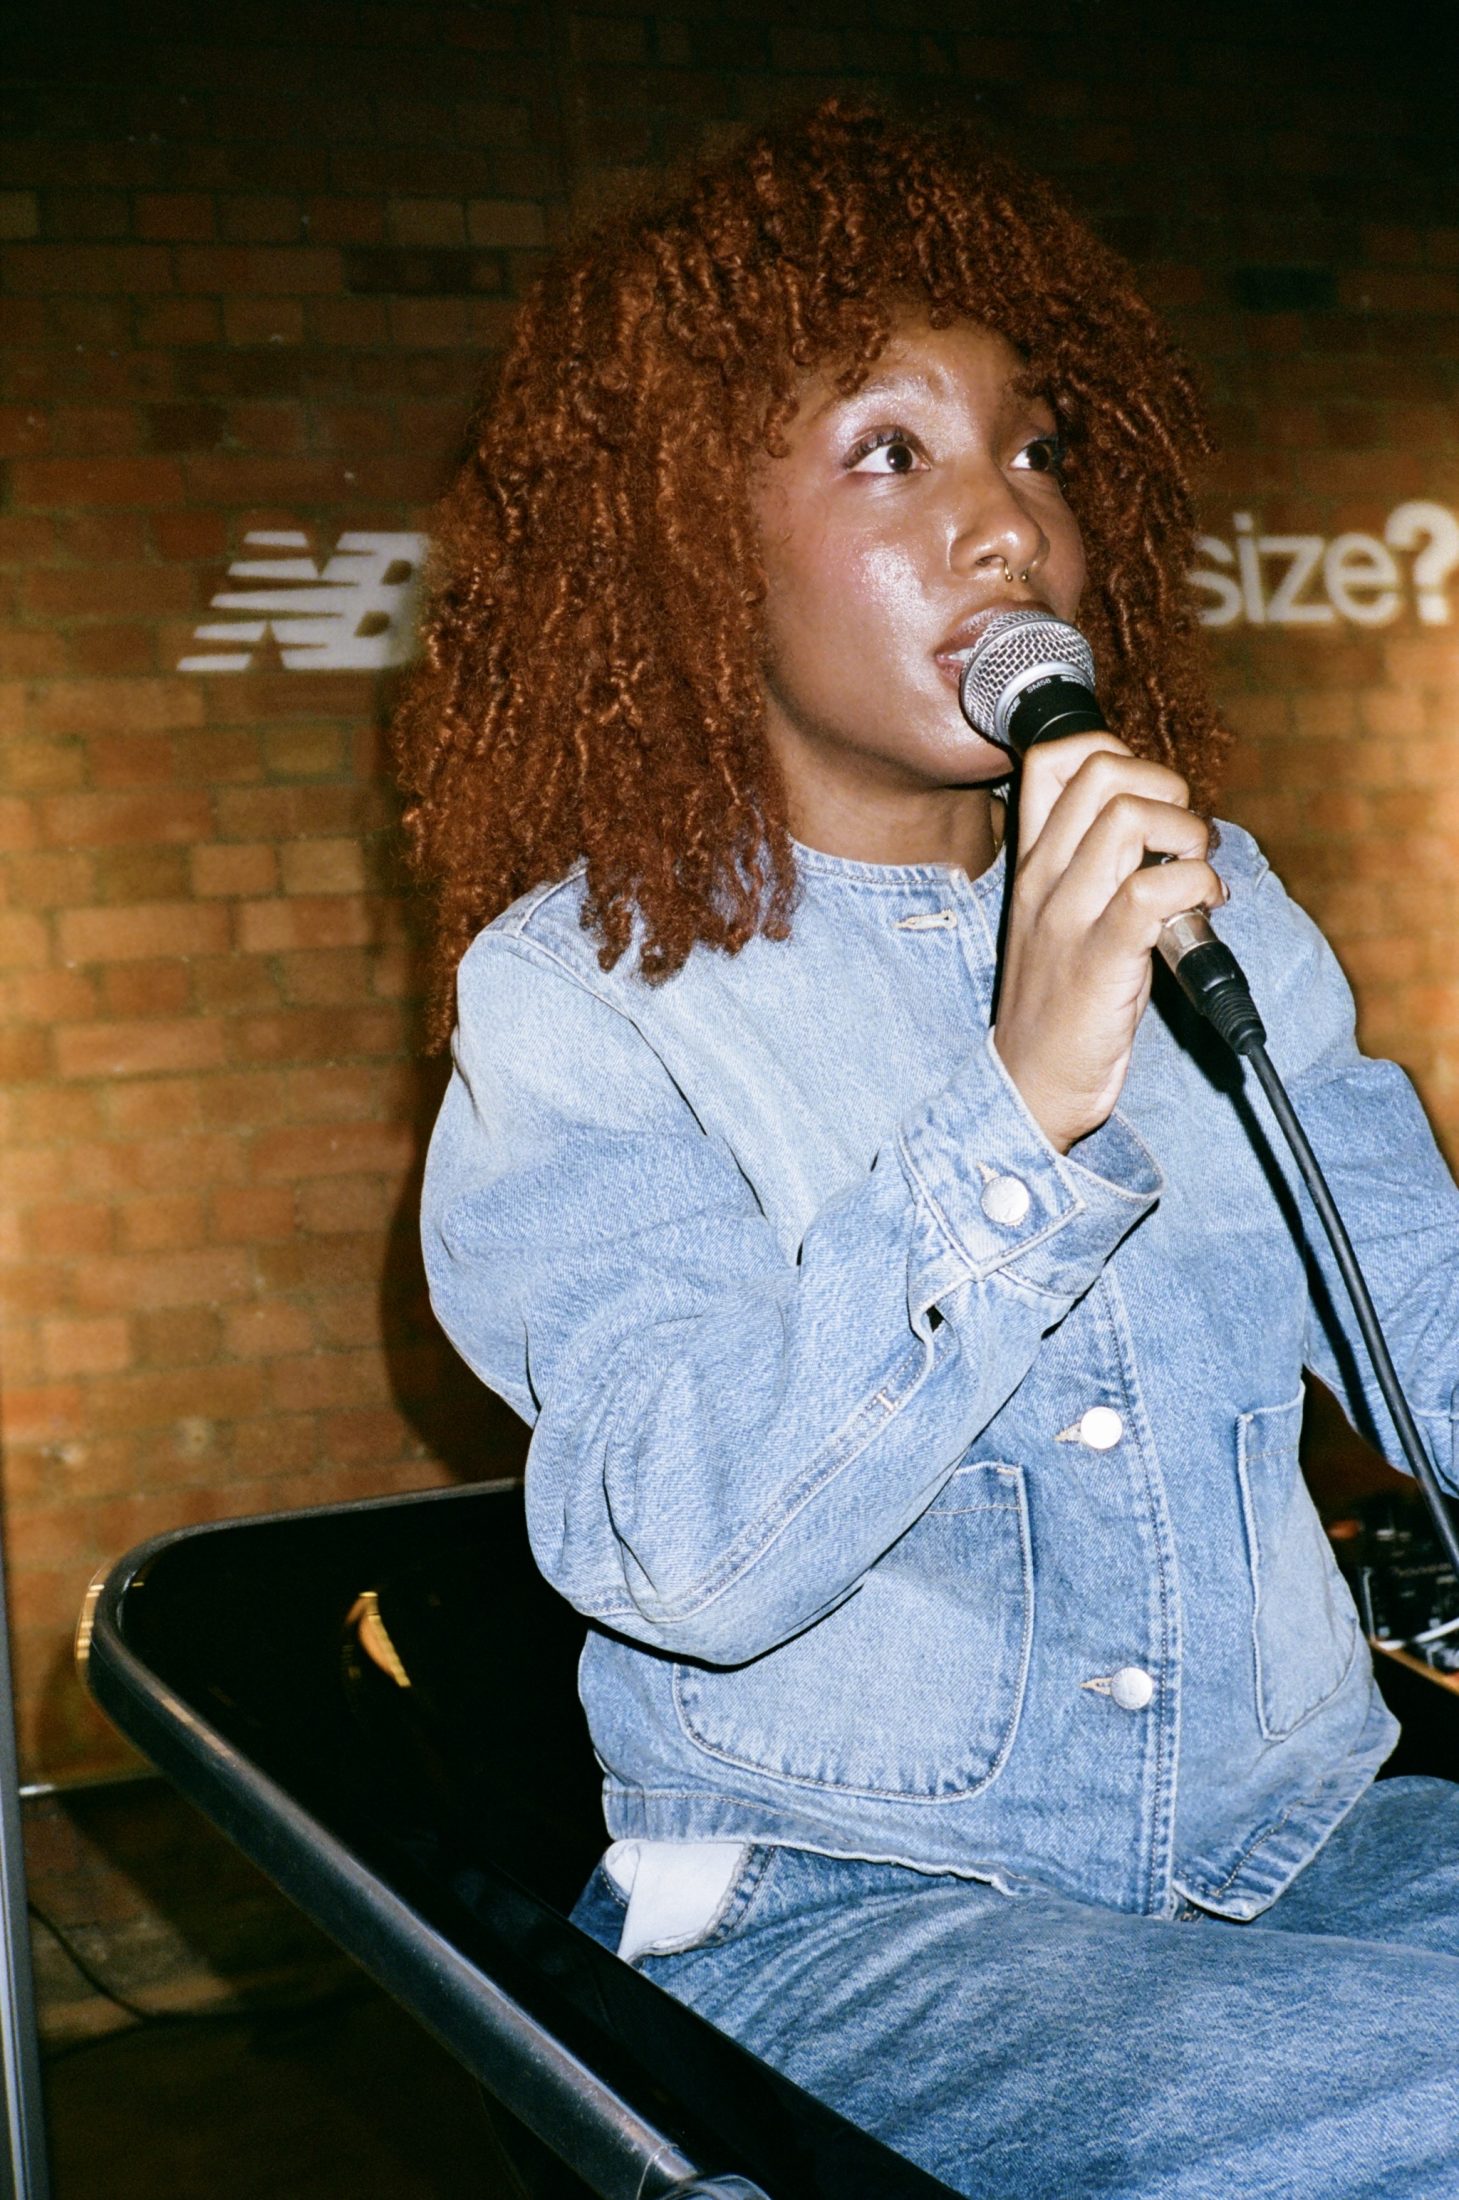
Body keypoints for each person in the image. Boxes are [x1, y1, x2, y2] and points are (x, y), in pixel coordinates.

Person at [395, 98, 1459, 2198]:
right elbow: (676, 1545)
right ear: (693, 545)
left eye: (1036, 450)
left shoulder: (1216, 901)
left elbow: (1419, 1310)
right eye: (892, 454)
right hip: (835, 1915)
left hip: (1295, 1843)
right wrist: (1021, 1105)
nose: (1006, 530)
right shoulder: (582, 991)